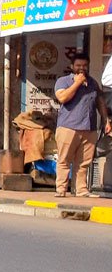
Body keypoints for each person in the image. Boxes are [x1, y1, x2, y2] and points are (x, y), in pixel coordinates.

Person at [52, 52, 111, 198]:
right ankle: (61, 189)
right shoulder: (64, 81)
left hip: (88, 127)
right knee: (64, 159)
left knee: (84, 162)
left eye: (84, 65)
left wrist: (106, 121)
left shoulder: (93, 83)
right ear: (72, 66)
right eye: (78, 65)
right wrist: (77, 83)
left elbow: (100, 102)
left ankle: (81, 190)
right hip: (68, 127)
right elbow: (63, 97)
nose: (81, 68)